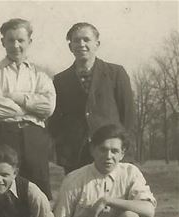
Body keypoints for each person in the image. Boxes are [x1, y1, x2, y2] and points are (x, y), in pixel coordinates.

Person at [0, 18, 55, 199]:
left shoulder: (41, 73)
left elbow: (48, 106)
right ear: (3, 42)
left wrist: (16, 97)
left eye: (20, 40)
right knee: (1, 188)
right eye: (10, 40)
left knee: (38, 191)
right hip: (4, 134)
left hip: (35, 137)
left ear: (29, 41)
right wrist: (30, 108)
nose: (15, 45)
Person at [48, 22, 136, 174]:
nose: (81, 44)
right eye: (76, 40)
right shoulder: (60, 80)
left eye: (86, 39)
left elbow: (128, 114)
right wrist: (64, 145)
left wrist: (120, 146)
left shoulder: (116, 73)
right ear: (70, 47)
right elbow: (55, 120)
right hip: (75, 155)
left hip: (109, 152)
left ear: (97, 44)